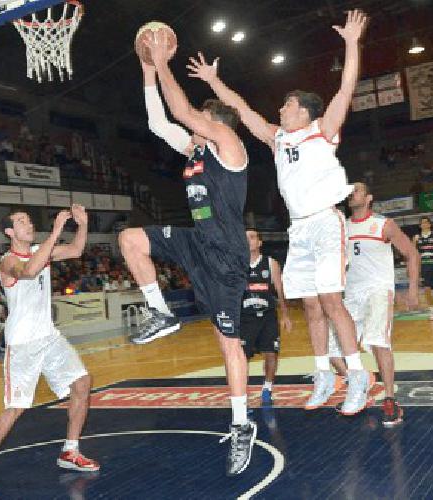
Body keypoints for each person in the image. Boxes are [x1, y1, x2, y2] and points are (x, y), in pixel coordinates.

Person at [186, 9, 374, 415]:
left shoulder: (322, 130)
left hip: (326, 220)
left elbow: (346, 88)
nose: (281, 110)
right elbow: (241, 107)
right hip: (299, 229)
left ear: (304, 111)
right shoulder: (276, 139)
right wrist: (215, 81)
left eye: (288, 106)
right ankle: (324, 372)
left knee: (330, 299)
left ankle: (358, 374)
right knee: (309, 305)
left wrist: (352, 43)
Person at [117, 30, 256, 476]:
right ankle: (160, 312)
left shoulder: (230, 149)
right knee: (131, 239)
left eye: (200, 119)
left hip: (227, 256)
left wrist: (162, 60)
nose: (190, 124)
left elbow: (179, 110)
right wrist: (146, 71)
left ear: (214, 122)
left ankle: (240, 425)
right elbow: (161, 121)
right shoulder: (195, 149)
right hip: (196, 240)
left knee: (228, 343)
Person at [0, 206, 97, 492]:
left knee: (82, 383)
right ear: (9, 232)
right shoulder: (8, 261)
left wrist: (83, 225)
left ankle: (70, 451)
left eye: (29, 220)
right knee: (15, 407)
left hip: (48, 337)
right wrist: (55, 231)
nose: (28, 224)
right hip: (23, 343)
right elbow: (28, 271)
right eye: (21, 222)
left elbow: (76, 250)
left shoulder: (43, 249)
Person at [327, 182, 421, 427]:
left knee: (379, 342)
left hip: (378, 290)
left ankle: (390, 400)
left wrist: (412, 290)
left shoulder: (383, 224)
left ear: (368, 198)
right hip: (351, 295)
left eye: (356, 190)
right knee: (333, 353)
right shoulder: (342, 228)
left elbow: (412, 253)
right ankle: (360, 385)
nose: (351, 194)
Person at [241, 230, 292, 406]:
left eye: (252, 237)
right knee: (242, 357)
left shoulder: (270, 263)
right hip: (245, 318)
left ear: (260, 242)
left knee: (271, 353)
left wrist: (285, 315)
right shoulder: (237, 264)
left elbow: (279, 291)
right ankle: (241, 390)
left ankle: (267, 389)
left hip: (268, 316)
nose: (248, 241)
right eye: (245, 238)